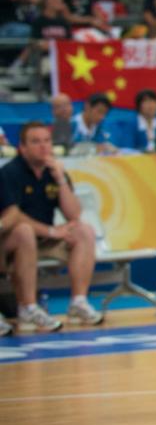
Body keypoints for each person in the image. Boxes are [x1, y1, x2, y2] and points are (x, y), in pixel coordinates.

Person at [0, 122, 104, 334]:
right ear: (22, 147)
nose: (43, 146)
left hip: (44, 240)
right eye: (35, 142)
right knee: (24, 232)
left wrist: (61, 180)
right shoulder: (9, 172)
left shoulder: (53, 171)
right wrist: (50, 231)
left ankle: (79, 302)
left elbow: (73, 214)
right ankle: (28, 307)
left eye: (47, 141)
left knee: (84, 230)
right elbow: (14, 216)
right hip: (13, 242)